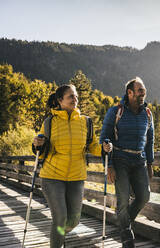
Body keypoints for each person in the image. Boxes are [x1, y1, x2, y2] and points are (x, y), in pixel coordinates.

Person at [32, 84, 112, 248]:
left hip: (76, 178)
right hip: (52, 177)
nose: (75, 99)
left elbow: (92, 147)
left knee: (74, 220)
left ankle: (58, 236)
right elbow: (39, 147)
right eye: (70, 96)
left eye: (76, 96)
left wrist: (104, 149)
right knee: (60, 218)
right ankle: (57, 242)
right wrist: (36, 144)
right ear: (60, 100)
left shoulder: (85, 122)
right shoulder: (50, 122)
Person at [100, 77, 154, 248]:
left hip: (140, 161)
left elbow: (150, 140)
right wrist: (109, 166)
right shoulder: (116, 111)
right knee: (122, 200)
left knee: (144, 196)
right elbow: (104, 138)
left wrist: (150, 164)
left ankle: (123, 223)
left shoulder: (147, 114)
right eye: (139, 90)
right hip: (120, 159)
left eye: (143, 90)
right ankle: (126, 236)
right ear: (129, 93)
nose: (143, 93)